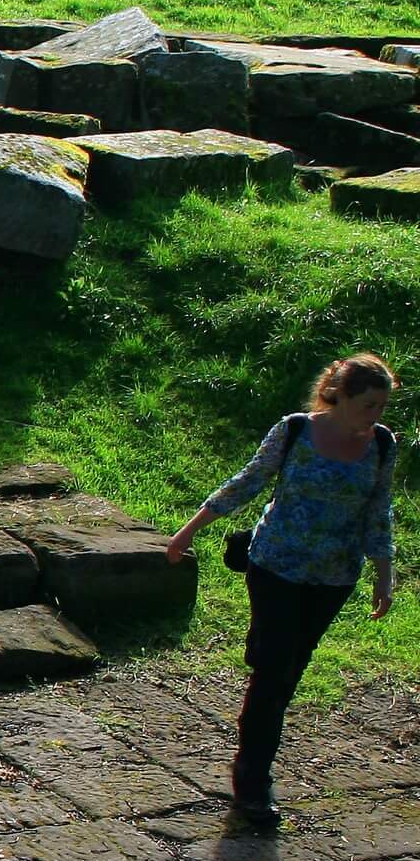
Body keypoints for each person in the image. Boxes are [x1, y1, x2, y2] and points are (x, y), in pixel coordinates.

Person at [166, 353, 399, 830]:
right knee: (274, 669)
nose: (374, 416)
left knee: (290, 668)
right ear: (340, 395)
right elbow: (249, 481)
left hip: (334, 576)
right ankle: (253, 779)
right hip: (275, 565)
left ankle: (254, 749)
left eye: (381, 407)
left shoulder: (381, 444)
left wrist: (383, 573)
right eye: (368, 405)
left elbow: (379, 510)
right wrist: (190, 530)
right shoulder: (296, 431)